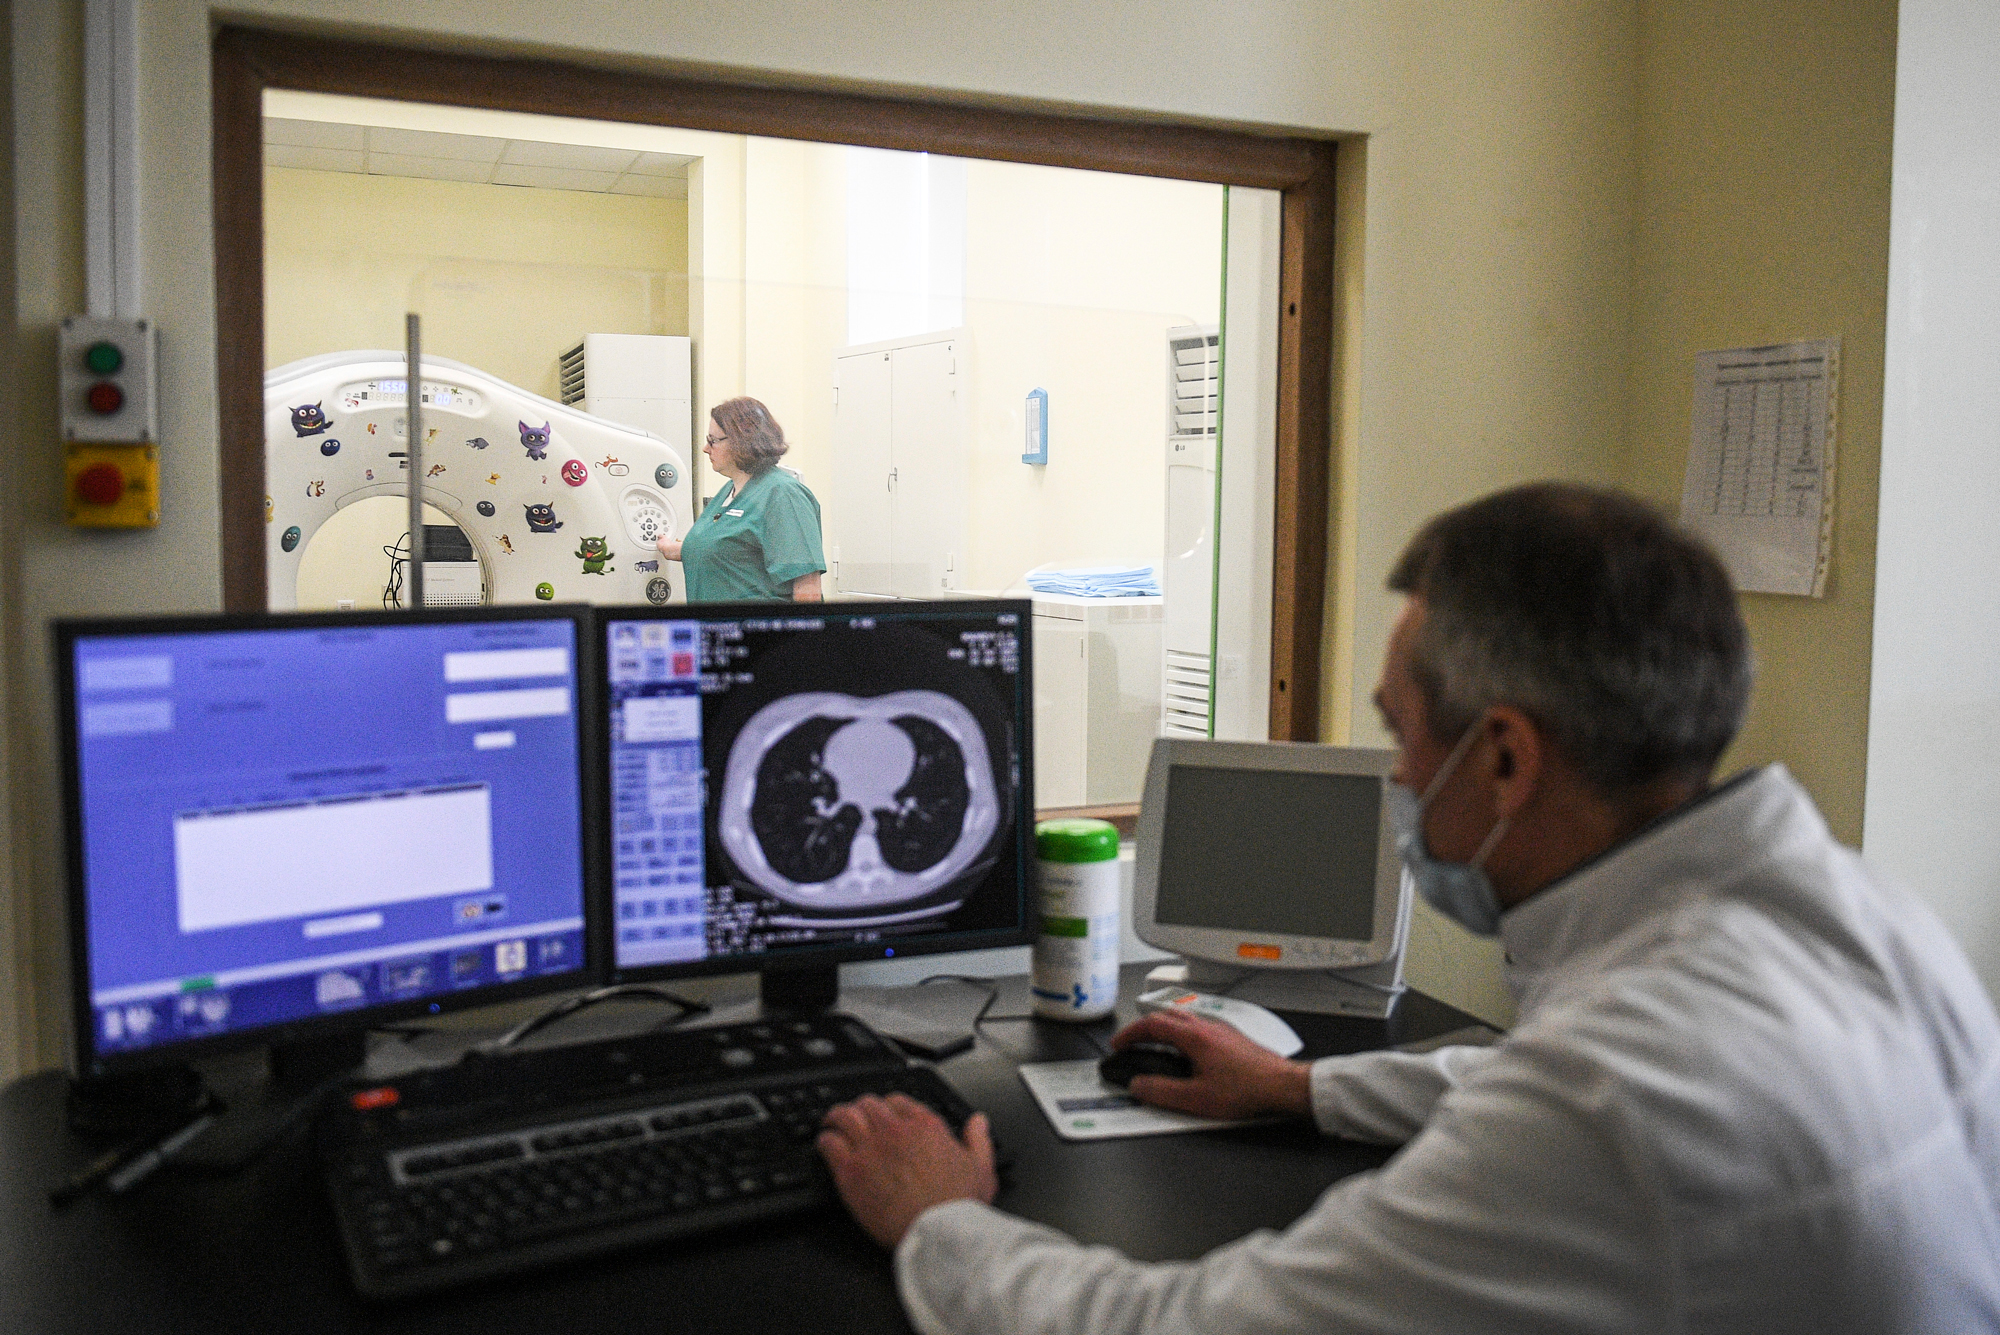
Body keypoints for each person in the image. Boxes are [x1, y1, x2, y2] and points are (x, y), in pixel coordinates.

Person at [815, 483, 2000, 1333]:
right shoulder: (1855, 917)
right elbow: (1560, 1085)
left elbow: (1178, 1322)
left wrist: (940, 1225)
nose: (1390, 778)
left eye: (1398, 732)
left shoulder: (1619, 1096)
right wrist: (1300, 1087)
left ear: (1502, 761)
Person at [656, 397, 825, 602]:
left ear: (742, 440)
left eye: (713, 441)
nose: (705, 448)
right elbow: (730, 551)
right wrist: (673, 549)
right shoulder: (729, 491)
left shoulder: (783, 495)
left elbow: (808, 588)